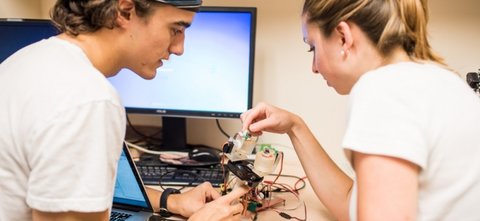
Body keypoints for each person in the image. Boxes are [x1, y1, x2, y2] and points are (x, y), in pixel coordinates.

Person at [0, 0, 246, 220]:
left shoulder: (27, 60)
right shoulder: (89, 99)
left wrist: (171, 201)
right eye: (175, 29)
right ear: (125, 12)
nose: (179, 48)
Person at [241, 0, 480, 220]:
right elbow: (350, 203)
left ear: (343, 37)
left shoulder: (382, 90)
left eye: (312, 47)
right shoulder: (439, 81)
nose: (314, 67)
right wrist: (295, 126)